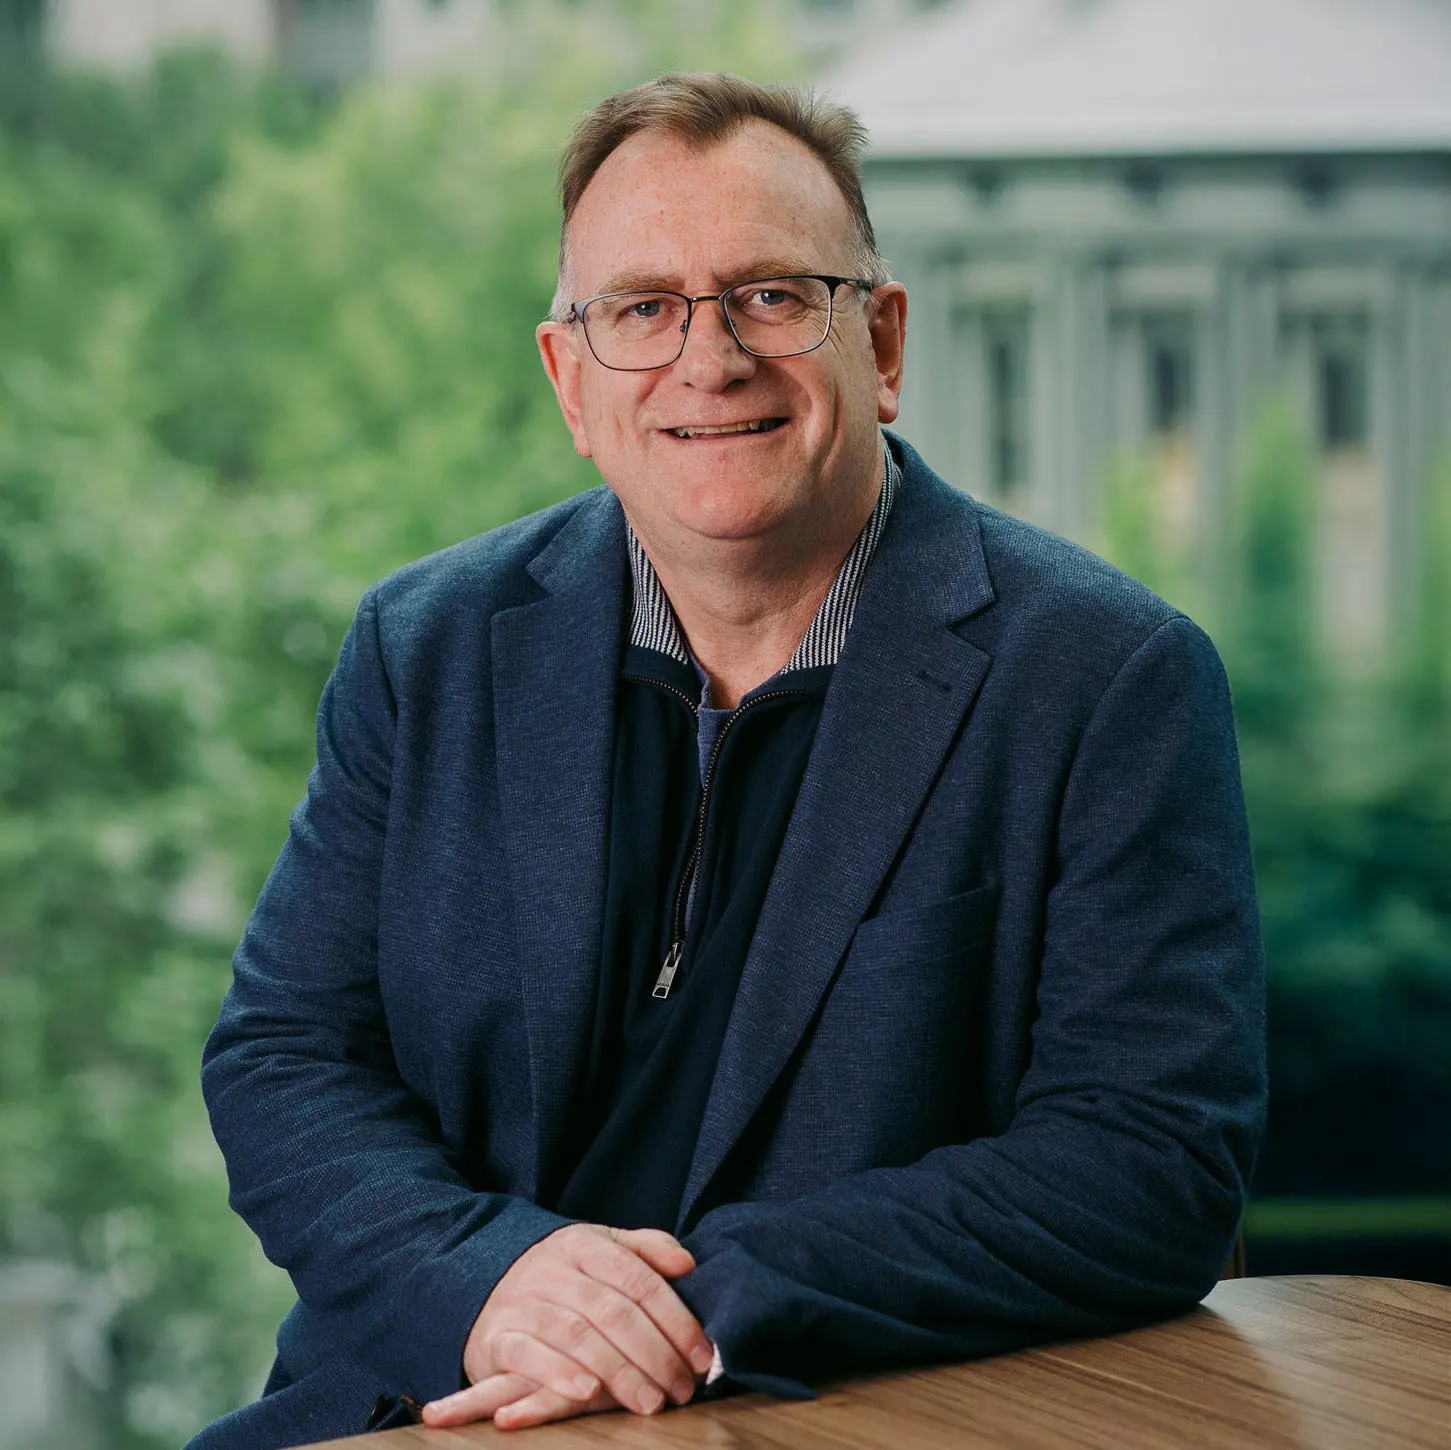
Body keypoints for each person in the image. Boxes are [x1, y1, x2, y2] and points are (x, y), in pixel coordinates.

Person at [186, 71, 1266, 1450]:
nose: (708, 358)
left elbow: (1147, 1164)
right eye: (640, 308)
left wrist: (695, 1308)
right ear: (569, 379)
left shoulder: (1107, 679)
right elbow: (285, 1054)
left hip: (825, 1404)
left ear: (878, 343)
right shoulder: (427, 644)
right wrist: (490, 1274)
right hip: (429, 1391)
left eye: (769, 294)